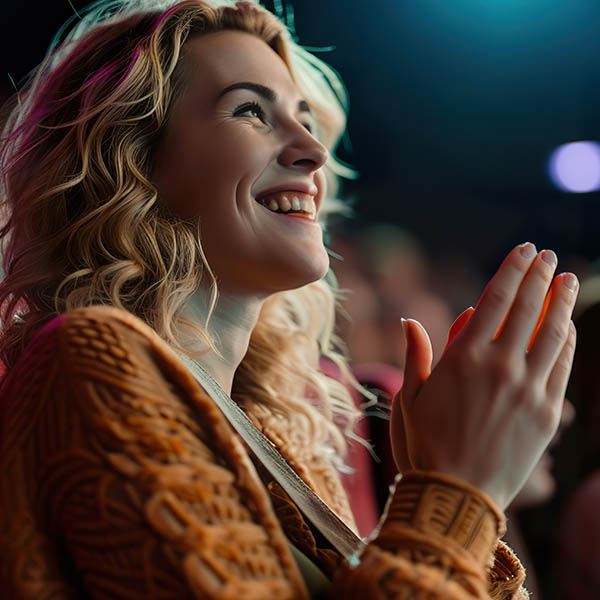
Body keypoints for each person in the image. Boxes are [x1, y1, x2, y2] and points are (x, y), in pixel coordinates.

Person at [0, 1, 579, 598]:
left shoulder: (279, 437)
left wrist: (443, 493)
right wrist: (457, 488)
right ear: (131, 162)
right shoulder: (86, 355)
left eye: (305, 117)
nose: (313, 150)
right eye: (251, 110)